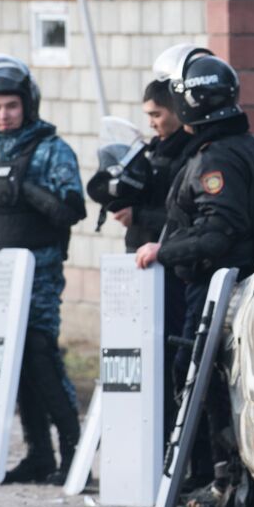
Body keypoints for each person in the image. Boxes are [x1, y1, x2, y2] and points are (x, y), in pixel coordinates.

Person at [135, 46, 254, 501]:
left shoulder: (216, 158)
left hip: (217, 285)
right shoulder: (242, 144)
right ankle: (222, 476)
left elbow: (218, 233)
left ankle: (221, 478)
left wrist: (162, 250)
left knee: (202, 375)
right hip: (235, 282)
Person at [0, 54, 87, 484]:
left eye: (11, 105)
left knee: (40, 355)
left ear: (27, 104)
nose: (4, 114)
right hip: (2, 279)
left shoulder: (52, 150)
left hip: (41, 274)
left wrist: (25, 189)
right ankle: (39, 455)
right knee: (15, 364)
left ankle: (74, 453)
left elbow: (72, 209)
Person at [86, 80, 191, 439]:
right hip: (139, 265)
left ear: (177, 111)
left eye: (157, 114)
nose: (151, 123)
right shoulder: (151, 151)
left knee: (166, 360)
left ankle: (167, 440)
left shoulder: (189, 155)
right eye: (148, 115)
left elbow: (183, 219)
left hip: (171, 271)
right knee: (138, 357)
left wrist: (139, 215)